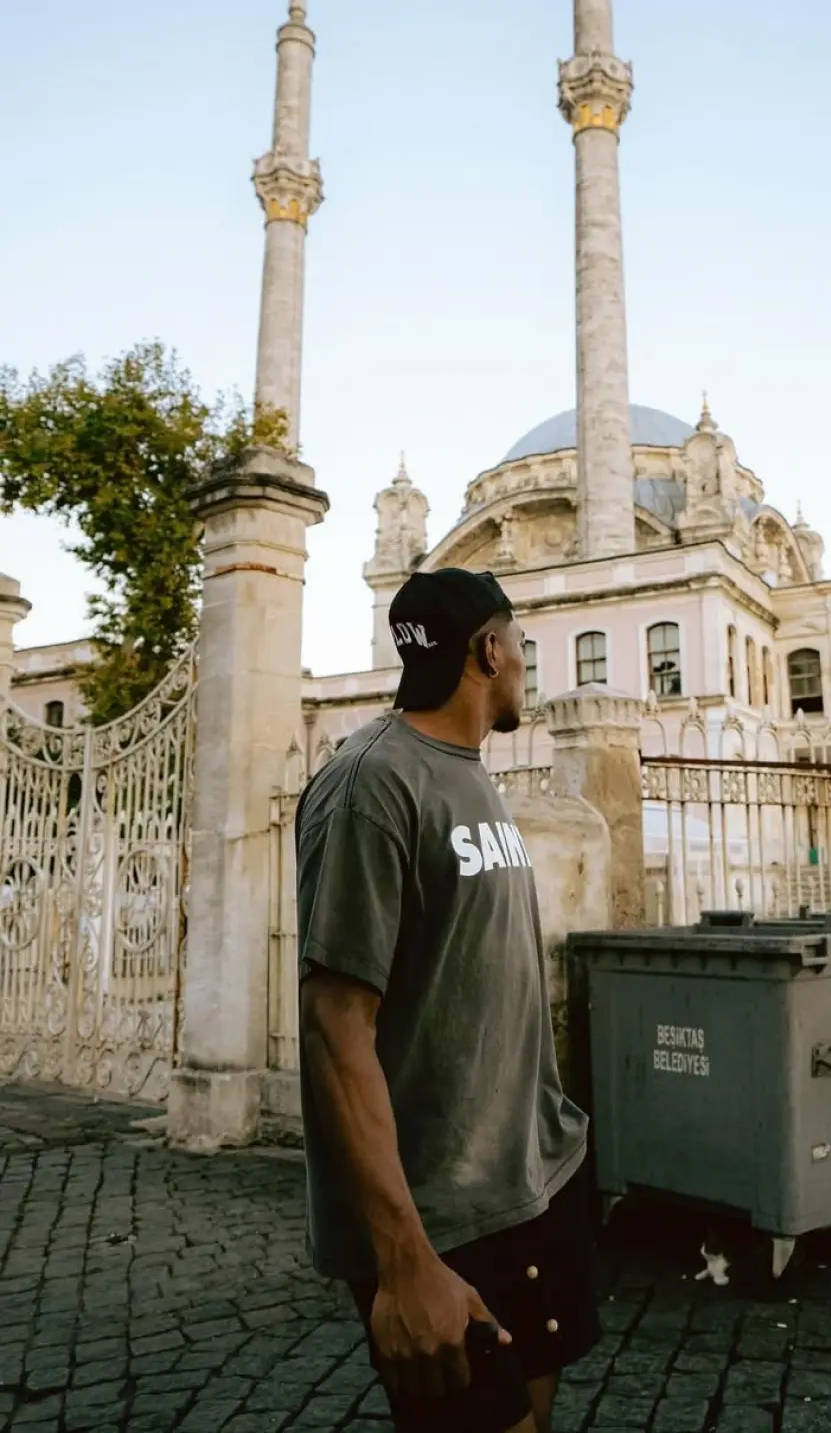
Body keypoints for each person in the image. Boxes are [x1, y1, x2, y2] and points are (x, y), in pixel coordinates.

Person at [294, 567, 598, 1432]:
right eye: (522, 647)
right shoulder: (370, 785)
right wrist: (403, 1261)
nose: (526, 667)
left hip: (533, 1180)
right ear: (489, 650)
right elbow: (335, 1028)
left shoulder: (468, 771)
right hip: (442, 1219)